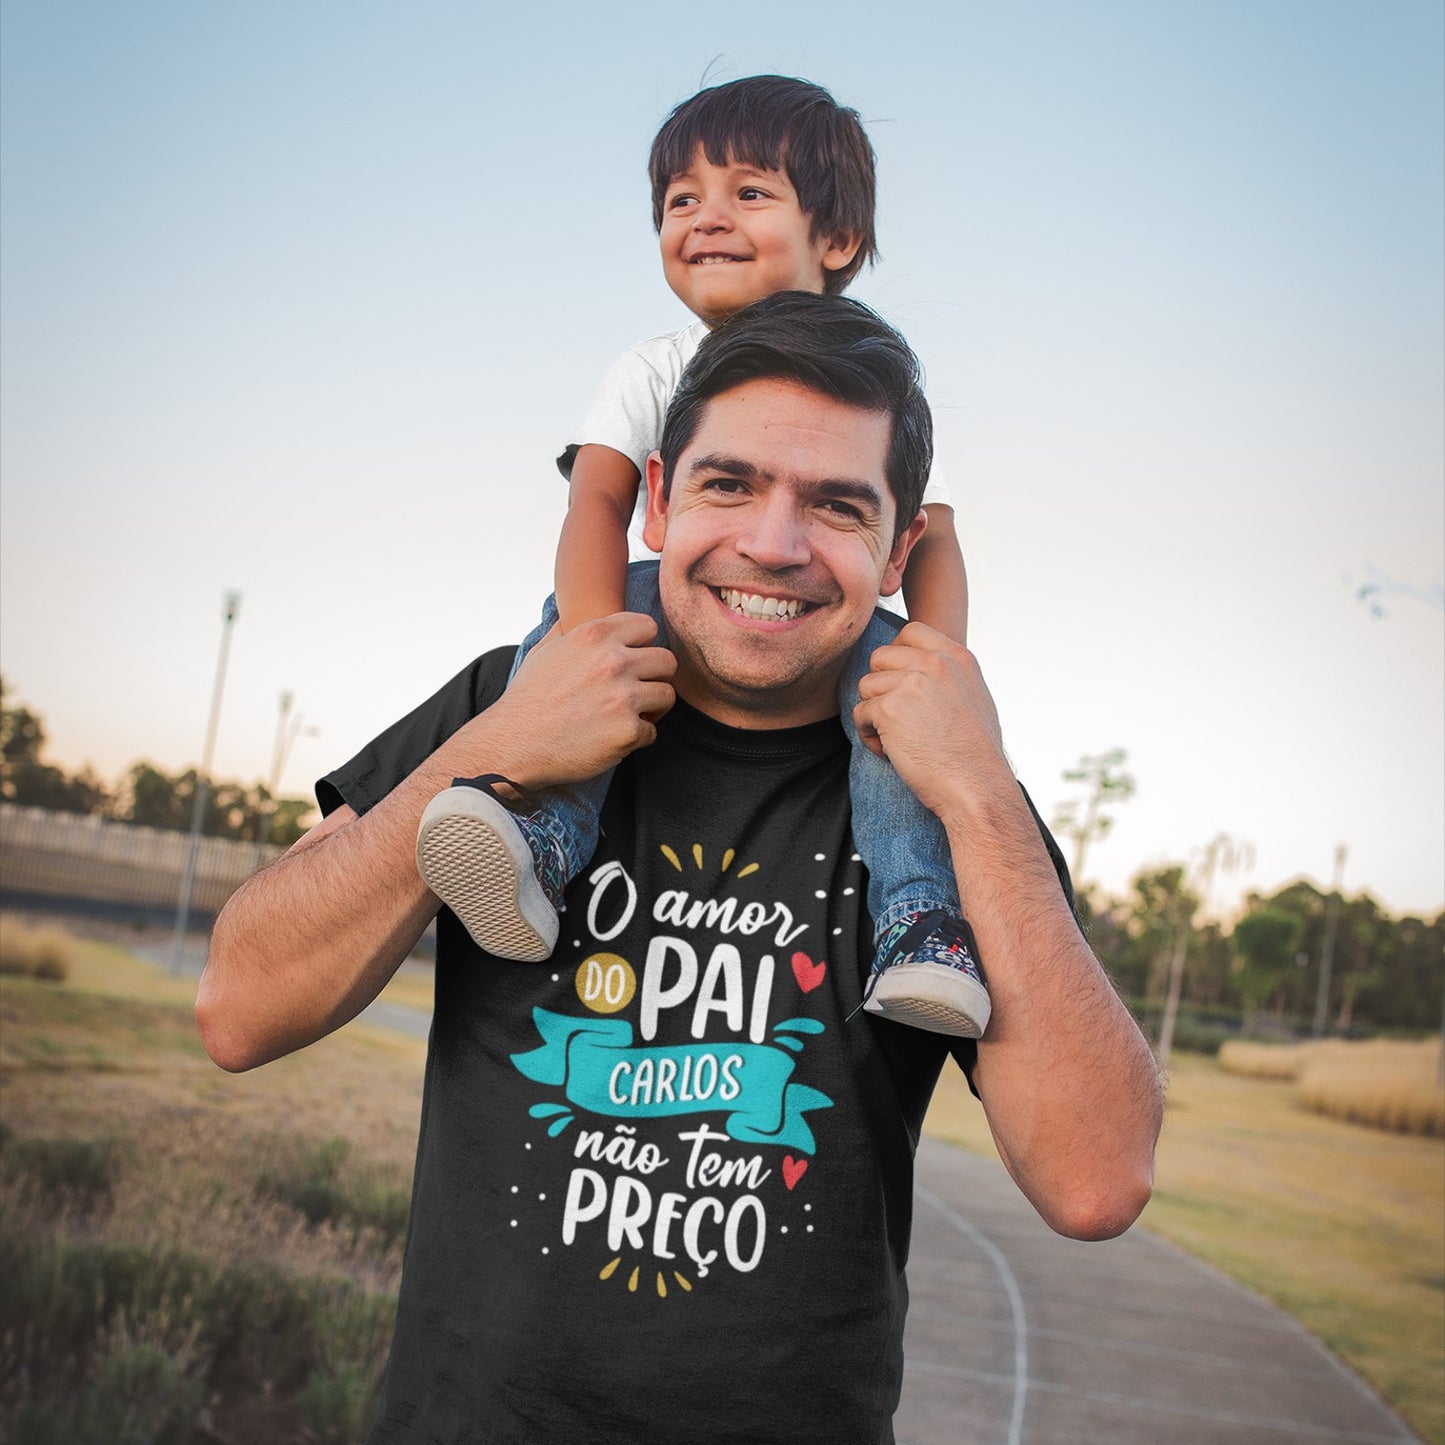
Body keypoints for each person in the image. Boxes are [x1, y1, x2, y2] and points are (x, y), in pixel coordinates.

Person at [198, 291, 1163, 1445]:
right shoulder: (502, 703)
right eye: (728, 483)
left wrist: (976, 789)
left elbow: (1095, 1180)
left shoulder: (941, 790)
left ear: (899, 551)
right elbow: (237, 1011)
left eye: (836, 505)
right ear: (654, 499)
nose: (772, 541)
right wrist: (494, 744)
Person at [414, 75, 989, 1038]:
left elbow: (935, 536)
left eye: (749, 193)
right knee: (561, 641)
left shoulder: (874, 379)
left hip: (828, 631)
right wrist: (590, 648)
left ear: (835, 240)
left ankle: (921, 923)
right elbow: (595, 503)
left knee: (892, 728)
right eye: (682, 199)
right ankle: (540, 836)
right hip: (657, 601)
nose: (706, 218)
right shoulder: (653, 364)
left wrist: (932, 673)